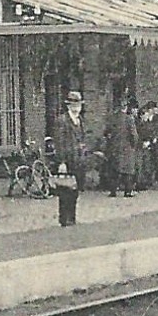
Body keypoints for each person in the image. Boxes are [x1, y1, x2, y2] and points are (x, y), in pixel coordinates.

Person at [51, 90, 87, 226]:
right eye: (74, 104)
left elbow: (82, 139)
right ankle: (64, 218)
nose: (77, 107)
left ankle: (72, 217)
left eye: (78, 104)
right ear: (68, 106)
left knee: (75, 190)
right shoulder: (62, 121)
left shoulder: (79, 120)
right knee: (65, 189)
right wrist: (61, 162)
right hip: (67, 160)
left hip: (78, 160)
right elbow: (59, 143)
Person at [104, 97, 140, 197]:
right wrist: (133, 145)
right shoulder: (129, 119)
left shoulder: (111, 118)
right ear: (125, 107)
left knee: (114, 169)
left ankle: (113, 191)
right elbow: (134, 135)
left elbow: (106, 133)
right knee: (128, 170)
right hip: (127, 147)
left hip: (114, 147)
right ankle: (128, 191)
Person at [139, 100, 158, 191]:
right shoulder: (144, 120)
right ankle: (146, 183)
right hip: (147, 144)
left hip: (157, 145)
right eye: (152, 109)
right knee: (147, 163)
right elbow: (141, 131)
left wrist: (157, 137)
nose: (154, 110)